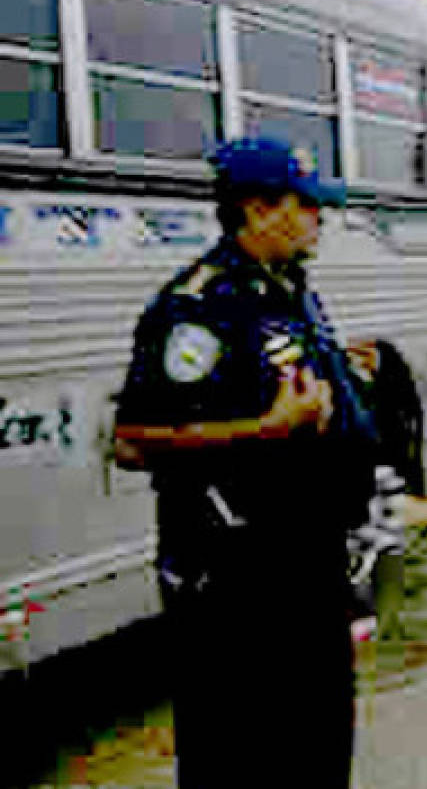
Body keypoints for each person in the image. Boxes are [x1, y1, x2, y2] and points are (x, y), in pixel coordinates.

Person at [113, 137, 378, 787]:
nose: (320, 219)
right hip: (234, 579)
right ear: (259, 210)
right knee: (238, 759)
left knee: (314, 752)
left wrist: (346, 380)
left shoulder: (291, 290)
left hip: (307, 565)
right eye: (308, 206)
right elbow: (131, 437)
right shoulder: (199, 306)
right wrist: (264, 428)